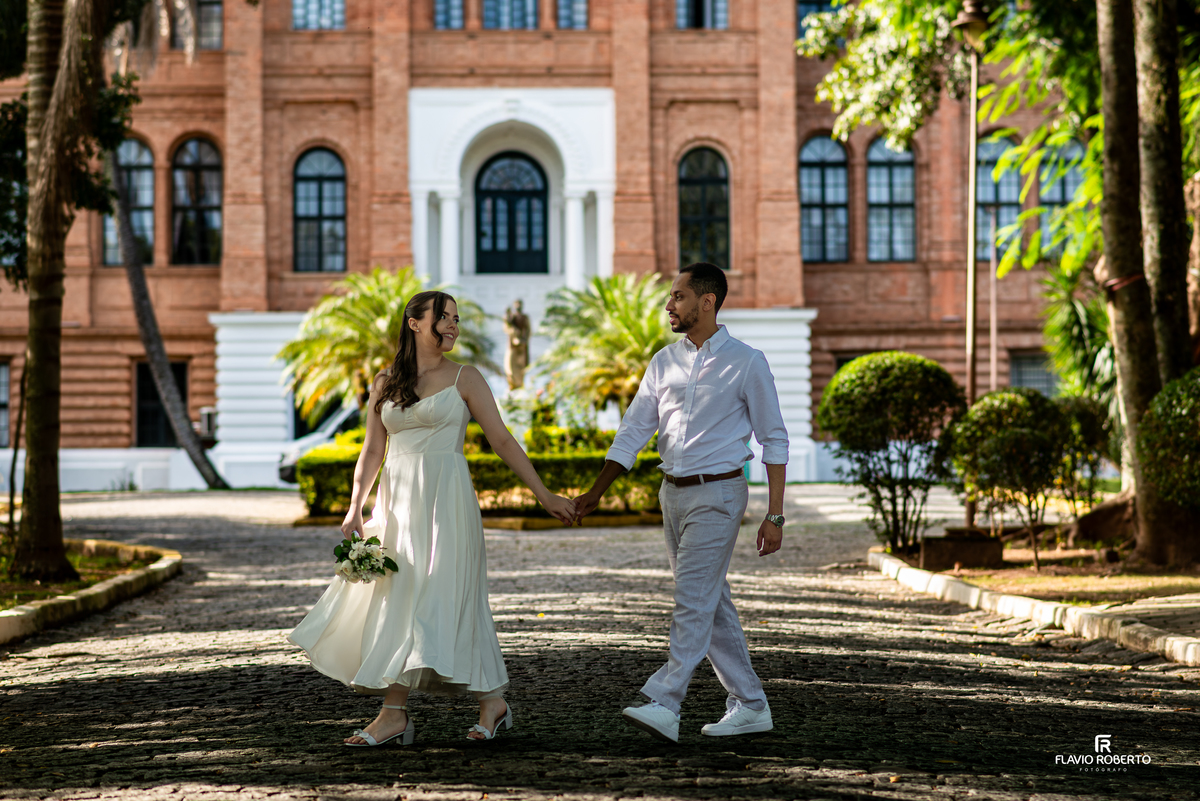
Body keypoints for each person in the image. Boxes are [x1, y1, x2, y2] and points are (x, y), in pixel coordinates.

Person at [289, 290, 577, 747]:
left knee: (448, 597)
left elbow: (502, 440)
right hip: (398, 504)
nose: (453, 327)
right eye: (444, 318)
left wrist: (543, 495)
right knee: (399, 598)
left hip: (448, 502)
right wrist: (355, 505)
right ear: (414, 322)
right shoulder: (385, 382)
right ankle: (410, 711)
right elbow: (373, 449)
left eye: (456, 320)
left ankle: (466, 704)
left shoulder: (467, 377)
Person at [572, 262, 788, 743]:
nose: (669, 304)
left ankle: (666, 702)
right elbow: (632, 431)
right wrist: (595, 493)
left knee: (691, 600)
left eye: (677, 296)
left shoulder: (747, 362)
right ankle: (751, 704)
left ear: (706, 302)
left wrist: (775, 515)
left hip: (720, 493)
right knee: (709, 603)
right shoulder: (662, 362)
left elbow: (775, 440)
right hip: (672, 493)